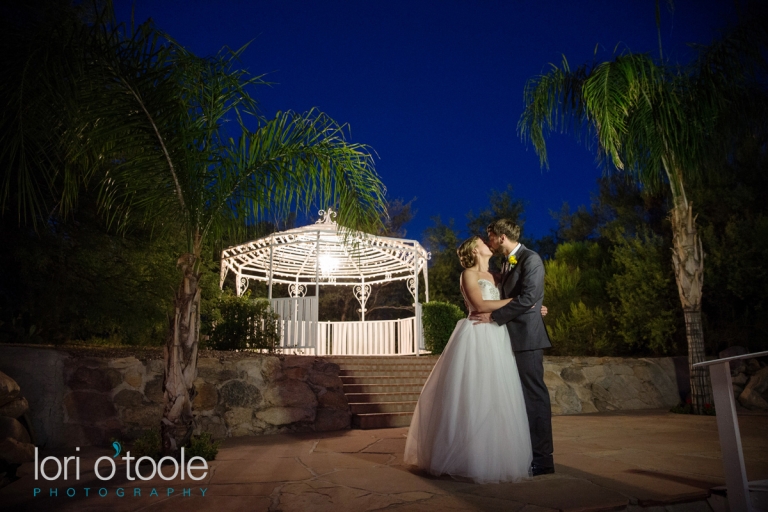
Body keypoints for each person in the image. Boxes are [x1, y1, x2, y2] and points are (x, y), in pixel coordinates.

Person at [404, 236, 532, 484]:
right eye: (482, 242)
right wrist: (521, 303)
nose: (487, 243)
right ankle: (466, 457)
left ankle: (494, 456)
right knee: (473, 394)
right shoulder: (468, 275)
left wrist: (533, 307)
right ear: (474, 250)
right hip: (475, 335)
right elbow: (481, 304)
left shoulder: (498, 276)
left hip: (497, 336)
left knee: (497, 396)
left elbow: (509, 303)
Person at [469, 219, 554, 476]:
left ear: (502, 237)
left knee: (534, 397)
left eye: (490, 236)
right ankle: (521, 452)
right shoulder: (505, 264)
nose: (489, 240)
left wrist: (495, 317)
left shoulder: (531, 259)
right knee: (514, 399)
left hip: (527, 338)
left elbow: (529, 297)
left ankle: (543, 459)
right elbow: (520, 299)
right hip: (507, 338)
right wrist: (532, 307)